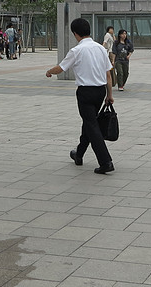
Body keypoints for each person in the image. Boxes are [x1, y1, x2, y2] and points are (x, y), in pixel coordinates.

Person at [45, 17, 115, 174]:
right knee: (88, 123)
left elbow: (61, 67)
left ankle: (106, 161)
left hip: (85, 93)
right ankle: (79, 154)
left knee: (91, 125)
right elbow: (108, 75)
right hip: (100, 91)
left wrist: (49, 71)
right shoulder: (100, 49)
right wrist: (109, 95)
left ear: (75, 33)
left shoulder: (77, 50)